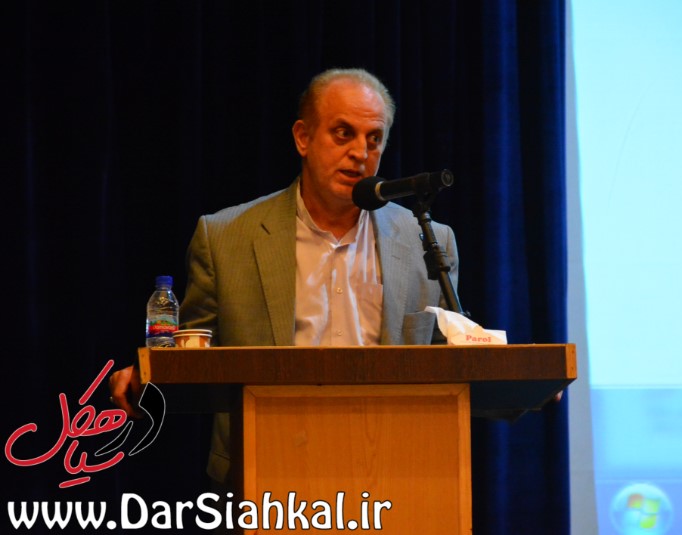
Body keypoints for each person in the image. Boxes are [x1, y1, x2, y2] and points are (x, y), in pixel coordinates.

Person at [109, 67, 459, 484]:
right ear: (303, 138)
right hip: (267, 469)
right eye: (343, 133)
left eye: (374, 138)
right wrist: (149, 375)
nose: (360, 152)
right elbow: (192, 353)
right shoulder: (226, 237)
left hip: (392, 472)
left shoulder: (427, 240)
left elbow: (452, 363)